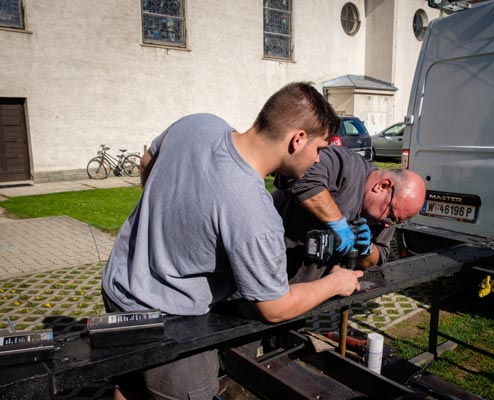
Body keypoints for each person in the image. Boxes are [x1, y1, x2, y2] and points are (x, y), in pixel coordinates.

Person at [101, 82, 364, 400]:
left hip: (117, 286)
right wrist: (336, 283)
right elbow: (274, 307)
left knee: (128, 385)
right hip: (170, 324)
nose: (319, 161)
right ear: (297, 140)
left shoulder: (198, 123)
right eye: (320, 149)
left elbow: (147, 162)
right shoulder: (255, 213)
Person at [272, 145, 426, 283]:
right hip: (266, 263)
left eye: (396, 222)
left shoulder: (387, 217)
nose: (388, 224)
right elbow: (294, 173)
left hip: (306, 291)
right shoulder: (344, 164)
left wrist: (366, 249)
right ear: (382, 186)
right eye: (391, 216)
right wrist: (338, 223)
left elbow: (376, 259)